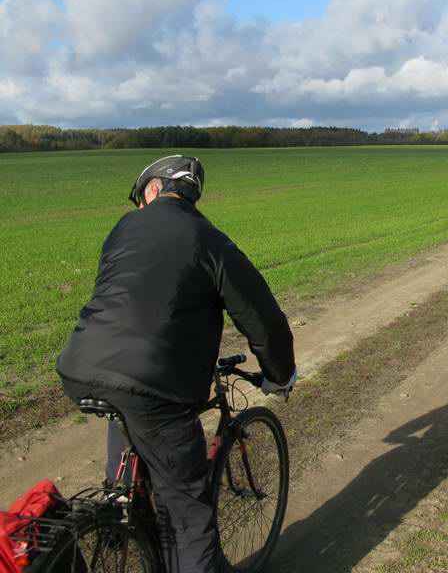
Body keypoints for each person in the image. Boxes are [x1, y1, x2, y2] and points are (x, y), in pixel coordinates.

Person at [56, 154, 297, 573]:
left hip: (80, 366)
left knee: (130, 415)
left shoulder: (123, 229)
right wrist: (279, 374)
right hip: (153, 385)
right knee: (188, 511)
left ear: (152, 190)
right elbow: (262, 317)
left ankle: (121, 503)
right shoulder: (210, 240)